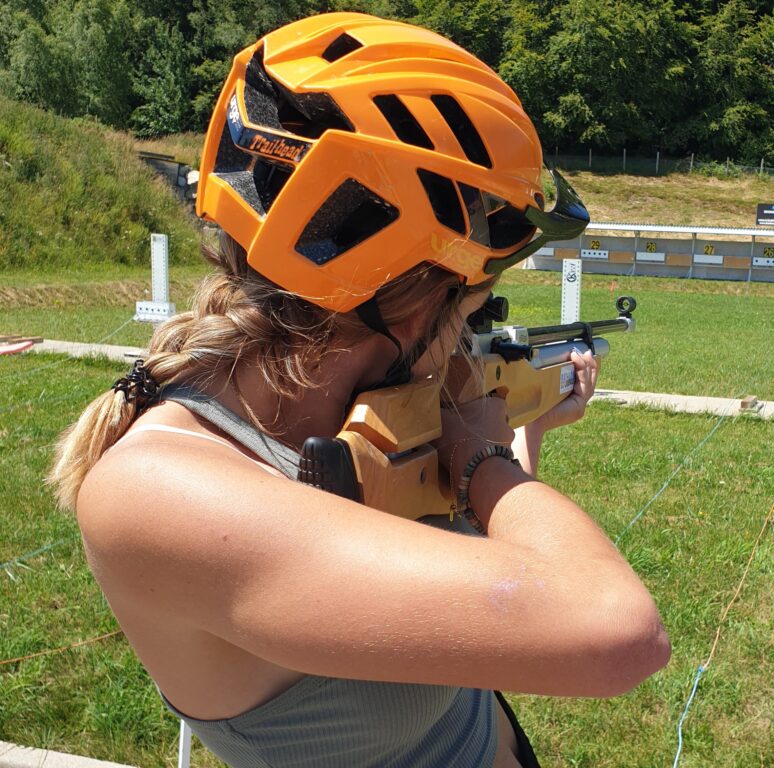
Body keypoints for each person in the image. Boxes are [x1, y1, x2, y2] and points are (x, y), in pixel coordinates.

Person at [49, 12, 670, 768]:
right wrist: (486, 462)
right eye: (476, 299)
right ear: (414, 297)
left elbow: (481, 589)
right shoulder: (158, 493)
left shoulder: (375, 424)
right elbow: (617, 634)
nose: (474, 325)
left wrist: (524, 429)